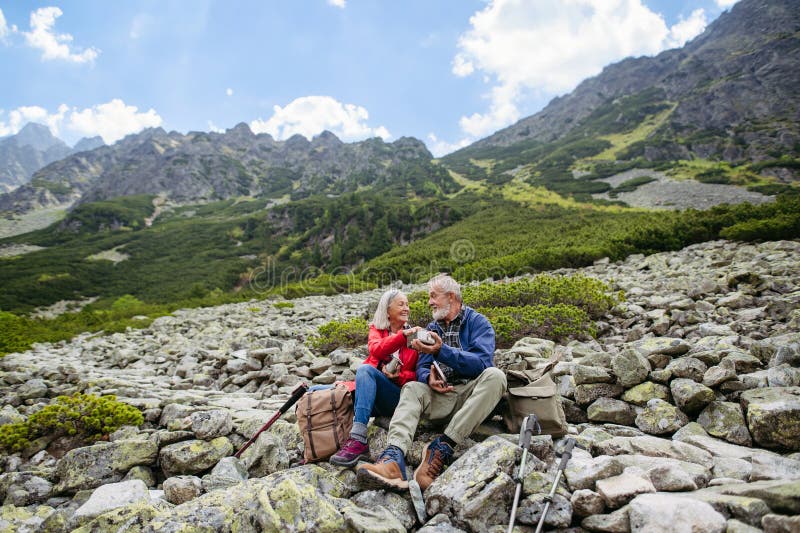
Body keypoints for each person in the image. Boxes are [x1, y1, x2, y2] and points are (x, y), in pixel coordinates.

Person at [356, 274, 506, 491]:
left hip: (470, 397)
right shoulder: (432, 328)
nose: (429, 302)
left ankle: (441, 448)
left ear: (451, 297)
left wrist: (441, 351)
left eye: (434, 296)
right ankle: (393, 458)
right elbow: (422, 366)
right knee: (412, 388)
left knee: (496, 376)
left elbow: (482, 363)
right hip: (440, 397)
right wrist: (428, 377)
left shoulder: (478, 323)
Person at [320, 288, 421, 467]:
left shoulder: (414, 336)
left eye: (407, 304)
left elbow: (420, 376)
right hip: (373, 395)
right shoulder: (377, 329)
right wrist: (400, 337)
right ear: (387, 310)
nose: (406, 308)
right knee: (319, 391)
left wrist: (399, 376)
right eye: (401, 304)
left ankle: (358, 439)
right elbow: (376, 349)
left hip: (398, 395)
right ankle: (319, 443)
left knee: (365, 370)